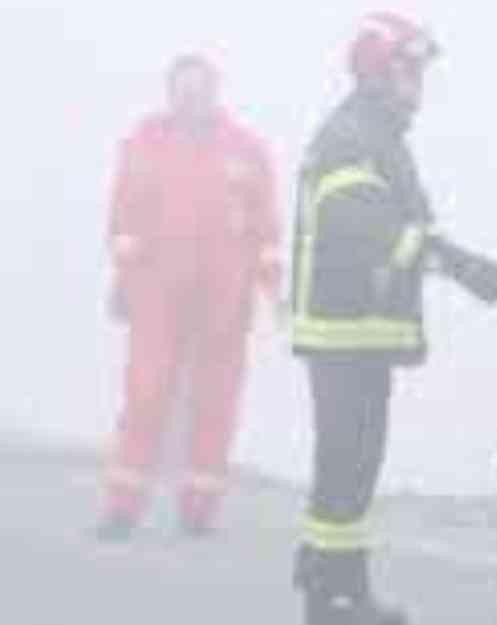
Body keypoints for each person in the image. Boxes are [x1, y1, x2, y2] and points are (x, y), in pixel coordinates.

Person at [289, 12, 441, 625]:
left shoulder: (378, 133)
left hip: (363, 332)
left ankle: (343, 588)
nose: (418, 83)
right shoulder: (352, 135)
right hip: (342, 331)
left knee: (355, 465)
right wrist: (434, 251)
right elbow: (359, 223)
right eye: (409, 70)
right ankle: (328, 598)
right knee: (344, 465)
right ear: (378, 71)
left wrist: (423, 245)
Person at [98, 54, 281, 540]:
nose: (191, 99)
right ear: (171, 92)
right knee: (145, 397)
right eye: (183, 90)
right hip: (157, 295)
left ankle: (199, 509)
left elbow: (266, 228)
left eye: (200, 90)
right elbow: (121, 216)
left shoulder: (247, 150)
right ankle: (122, 508)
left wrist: (273, 290)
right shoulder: (145, 142)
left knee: (215, 403)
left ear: (214, 93)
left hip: (224, 301)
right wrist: (126, 276)